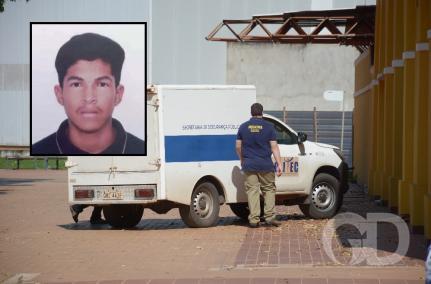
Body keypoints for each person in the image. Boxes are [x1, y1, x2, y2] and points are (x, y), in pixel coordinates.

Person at [32, 32, 145, 155]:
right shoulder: (38, 153)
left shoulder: (144, 152)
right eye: (76, 84)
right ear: (59, 94)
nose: (89, 97)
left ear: (118, 94)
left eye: (102, 84)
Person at [236, 103, 283, 228]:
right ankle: (269, 217)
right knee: (269, 189)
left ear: (251, 112)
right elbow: (274, 147)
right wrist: (279, 163)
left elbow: (238, 146)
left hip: (249, 164)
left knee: (252, 191)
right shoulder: (269, 127)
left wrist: (242, 159)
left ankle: (254, 220)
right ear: (262, 112)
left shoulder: (243, 127)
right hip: (266, 165)